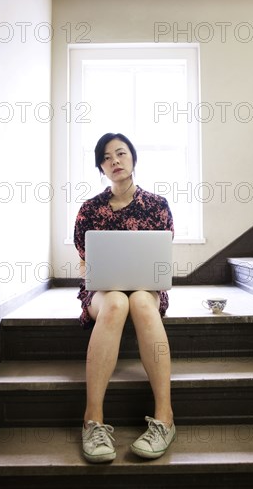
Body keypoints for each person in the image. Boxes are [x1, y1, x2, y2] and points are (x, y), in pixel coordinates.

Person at [74, 132, 176, 464]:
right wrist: (97, 277)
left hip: (146, 288)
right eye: (106, 157)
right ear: (100, 167)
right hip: (103, 292)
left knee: (142, 301)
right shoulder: (89, 209)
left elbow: (161, 260)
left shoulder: (157, 205)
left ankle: (165, 418)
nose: (115, 160)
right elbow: (84, 263)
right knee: (117, 300)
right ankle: (93, 420)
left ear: (133, 158)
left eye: (121, 153)